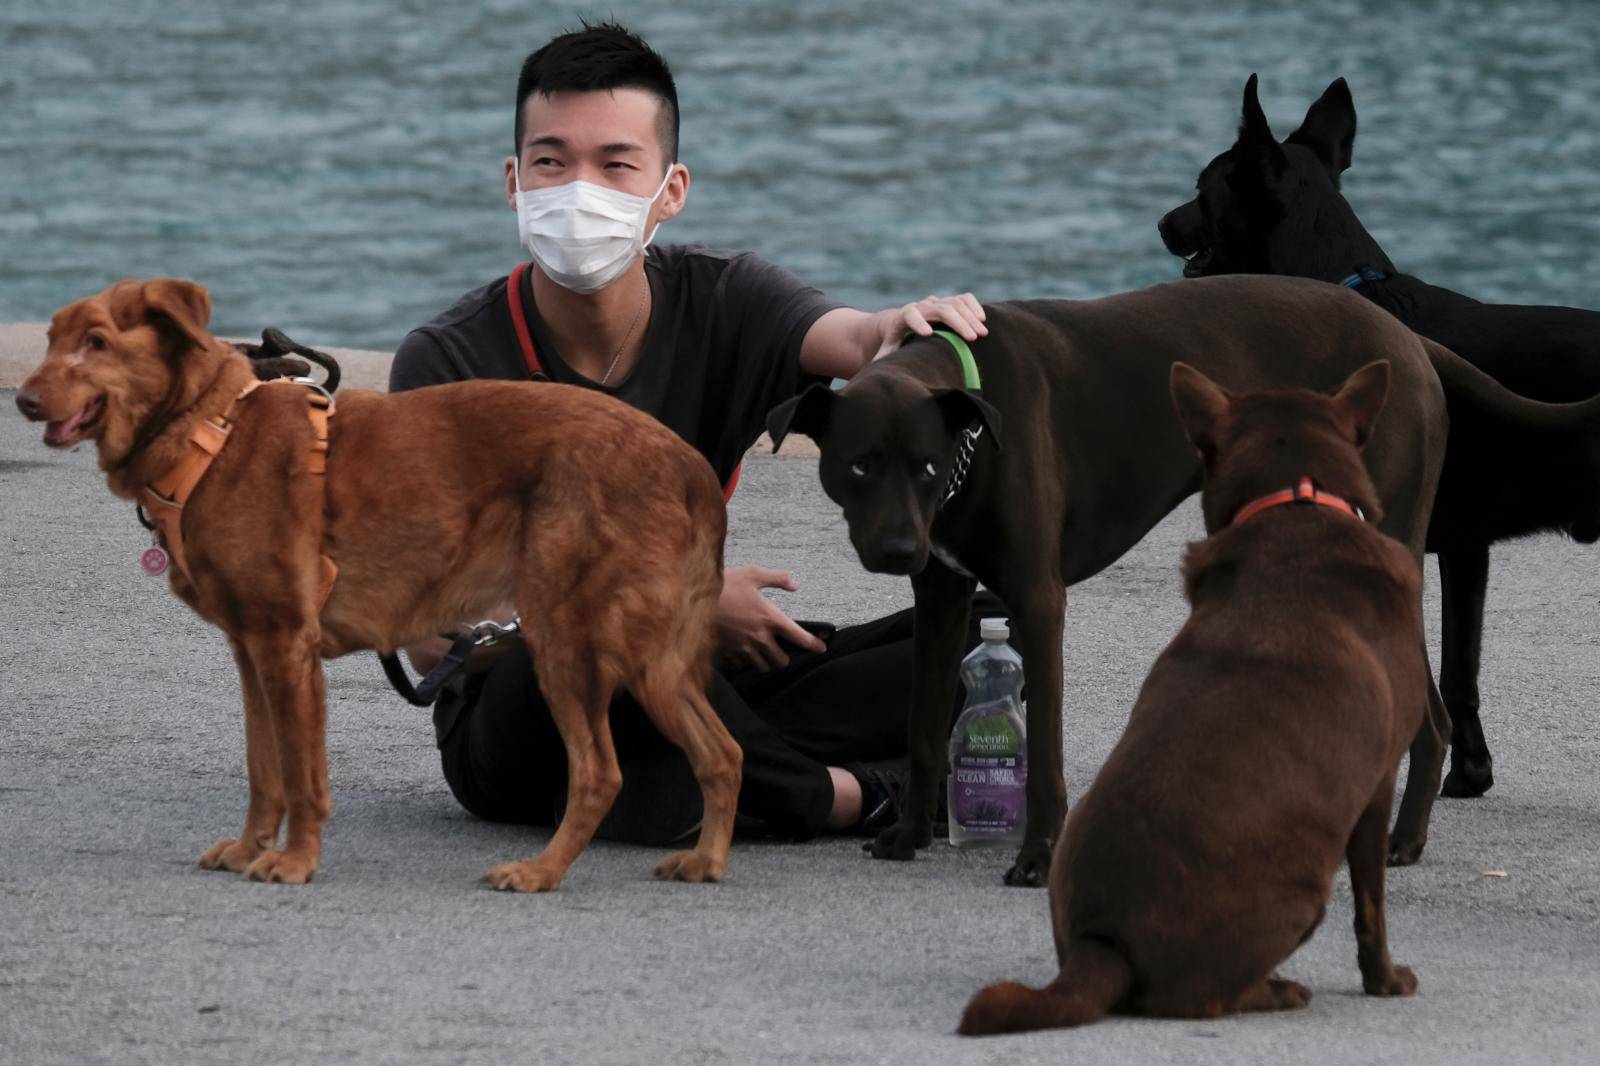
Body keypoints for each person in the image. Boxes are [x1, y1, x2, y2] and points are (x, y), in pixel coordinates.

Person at [390, 22, 998, 845]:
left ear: (669, 190)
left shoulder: (725, 298)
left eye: (615, 164)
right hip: (524, 714)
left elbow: (854, 341)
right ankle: (845, 795)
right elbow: (425, 638)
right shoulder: (449, 359)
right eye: (550, 161)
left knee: (983, 640)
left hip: (687, 676)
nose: (579, 188)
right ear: (513, 182)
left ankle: (700, 781)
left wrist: (911, 322)